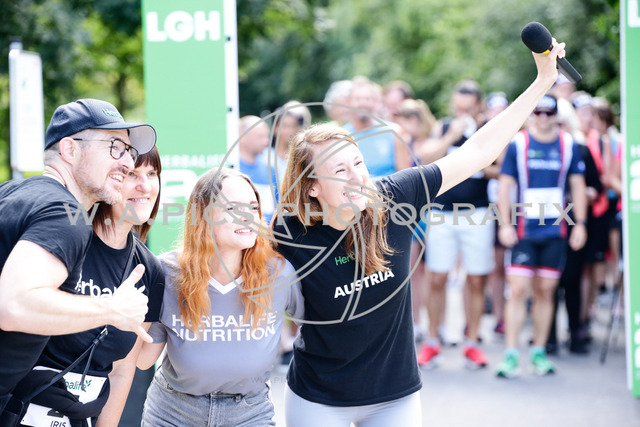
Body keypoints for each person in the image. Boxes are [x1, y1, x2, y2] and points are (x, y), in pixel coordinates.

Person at [274, 42, 567, 425]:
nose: (357, 177)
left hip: (392, 396)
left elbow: (478, 150)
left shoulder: (395, 196)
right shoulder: (289, 232)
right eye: (340, 170)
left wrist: (543, 81)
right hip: (317, 397)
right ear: (311, 186)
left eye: (358, 163)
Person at [0, 98, 156, 413]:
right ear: (70, 150)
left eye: (128, 150)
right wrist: (112, 309)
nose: (128, 162)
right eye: (115, 147)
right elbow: (13, 305)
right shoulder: (64, 214)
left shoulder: (12, 193)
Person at [138, 168, 304, 427]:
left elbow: (317, 333)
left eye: (253, 207)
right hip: (173, 412)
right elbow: (142, 359)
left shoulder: (279, 274)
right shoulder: (167, 273)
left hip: (249, 413)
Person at [495, 93, 588, 378]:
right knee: (518, 290)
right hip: (524, 231)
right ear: (532, 115)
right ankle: (511, 354)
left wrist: (581, 223)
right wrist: (504, 224)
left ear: (556, 115)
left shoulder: (568, 144)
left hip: (555, 230)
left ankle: (538, 351)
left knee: (546, 291)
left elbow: (578, 185)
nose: (543, 118)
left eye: (549, 113)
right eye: (538, 113)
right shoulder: (519, 143)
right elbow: (505, 186)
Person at [418, 79, 496, 370]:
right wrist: (451, 136)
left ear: (479, 105)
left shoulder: (489, 129)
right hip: (442, 213)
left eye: (469, 108)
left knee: (476, 279)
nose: (463, 113)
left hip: (478, 213)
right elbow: (425, 159)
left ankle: (472, 343)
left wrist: (478, 162)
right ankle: (432, 341)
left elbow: (502, 169)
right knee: (437, 277)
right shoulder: (444, 127)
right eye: (459, 107)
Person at [394, 98, 437, 343]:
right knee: (412, 270)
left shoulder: (429, 141)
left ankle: (423, 323)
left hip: (426, 211)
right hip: (411, 212)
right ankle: (414, 321)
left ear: (413, 119)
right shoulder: (403, 141)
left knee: (424, 271)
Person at [343, 76, 411, 178]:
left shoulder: (394, 132)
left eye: (367, 99)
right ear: (349, 102)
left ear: (375, 101)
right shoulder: (343, 137)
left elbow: (406, 176)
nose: (363, 103)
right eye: (357, 99)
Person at [238, 115, 279, 225]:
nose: (266, 142)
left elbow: (278, 206)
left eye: (266, 136)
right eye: (260, 137)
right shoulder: (232, 169)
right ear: (243, 137)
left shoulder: (270, 170)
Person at [272, 101, 312, 184]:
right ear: (275, 128)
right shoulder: (263, 156)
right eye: (285, 126)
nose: (289, 131)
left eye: (293, 126)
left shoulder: (304, 158)